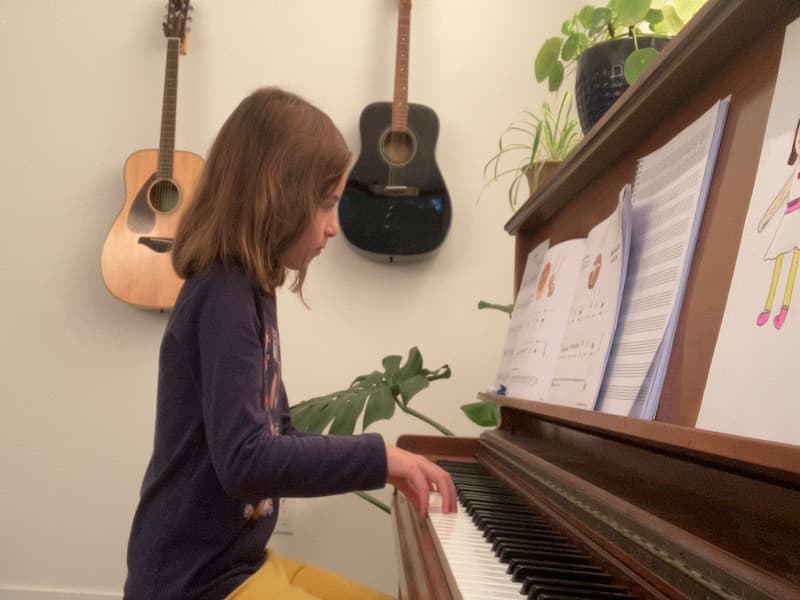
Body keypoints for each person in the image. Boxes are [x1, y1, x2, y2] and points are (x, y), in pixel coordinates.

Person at [123, 87, 457, 600]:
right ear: (276, 197)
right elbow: (245, 460)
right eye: (326, 204)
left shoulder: (252, 290)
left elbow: (276, 433)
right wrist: (379, 458)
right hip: (192, 584)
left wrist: (384, 463)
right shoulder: (222, 291)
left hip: (242, 565)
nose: (332, 227)